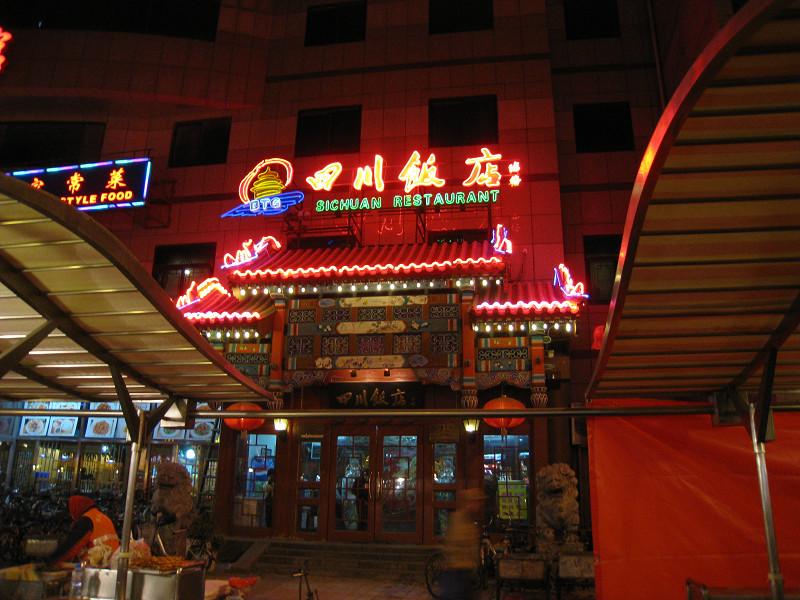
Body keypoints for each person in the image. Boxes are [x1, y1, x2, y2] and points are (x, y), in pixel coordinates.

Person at [49, 495, 120, 564]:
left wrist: (50, 561)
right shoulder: (105, 518)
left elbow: (70, 548)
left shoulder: (86, 520)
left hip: (96, 564)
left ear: (75, 508)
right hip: (113, 562)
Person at [441, 488, 483, 600]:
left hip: (466, 571)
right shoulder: (458, 519)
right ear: (469, 503)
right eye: (476, 502)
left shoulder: (471, 521)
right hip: (457, 571)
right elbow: (453, 543)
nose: (478, 506)